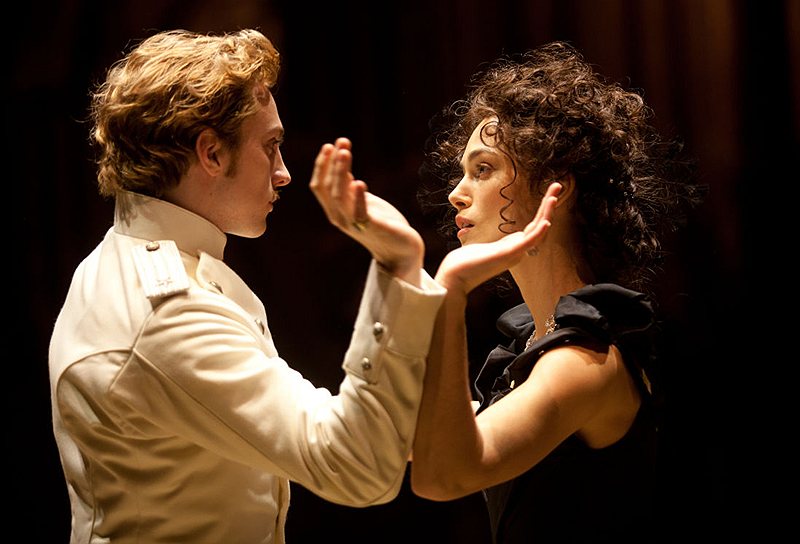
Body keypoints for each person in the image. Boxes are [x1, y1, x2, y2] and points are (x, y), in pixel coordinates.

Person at [47, 29, 453, 543]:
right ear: (211, 154)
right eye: (270, 146)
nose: (283, 173)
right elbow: (359, 466)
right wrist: (397, 264)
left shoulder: (125, 258)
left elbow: (325, 426)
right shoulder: (168, 312)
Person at [409, 41, 703, 542]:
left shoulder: (582, 363)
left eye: (483, 170)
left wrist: (451, 292)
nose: (456, 193)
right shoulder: (536, 344)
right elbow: (417, 442)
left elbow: (444, 476)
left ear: (556, 188)